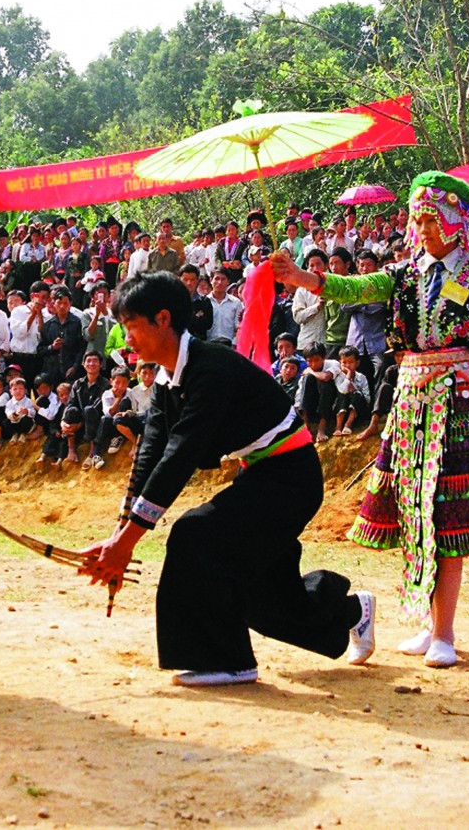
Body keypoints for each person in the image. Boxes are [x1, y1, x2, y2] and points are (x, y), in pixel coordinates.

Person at [271, 171, 469, 668]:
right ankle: (427, 624)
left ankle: (444, 630)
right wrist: (300, 278)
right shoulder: (406, 274)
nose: (421, 229)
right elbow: (355, 285)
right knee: (415, 509)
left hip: (460, 403)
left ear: (456, 221)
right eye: (418, 219)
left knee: (446, 513)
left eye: (430, 219)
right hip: (410, 400)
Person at [79, 273, 376, 687]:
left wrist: (126, 543)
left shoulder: (210, 369)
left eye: (130, 326)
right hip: (262, 476)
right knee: (258, 596)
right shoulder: (167, 379)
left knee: (195, 534)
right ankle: (349, 612)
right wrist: (119, 531)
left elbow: (180, 455)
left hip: (290, 479)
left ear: (162, 319)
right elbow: (152, 453)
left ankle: (226, 660)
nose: (125, 338)